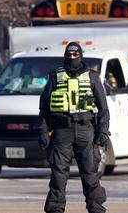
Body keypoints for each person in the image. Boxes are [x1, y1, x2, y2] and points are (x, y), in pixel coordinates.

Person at [37, 42, 109, 213]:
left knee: (90, 175)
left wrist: (103, 131)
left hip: (86, 131)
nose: (72, 58)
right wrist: (43, 131)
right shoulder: (55, 76)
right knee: (58, 176)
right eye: (69, 55)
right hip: (62, 132)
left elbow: (103, 108)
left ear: (81, 56)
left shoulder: (92, 77)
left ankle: (96, 209)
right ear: (64, 56)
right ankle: (55, 210)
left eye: (75, 55)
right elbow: (44, 108)